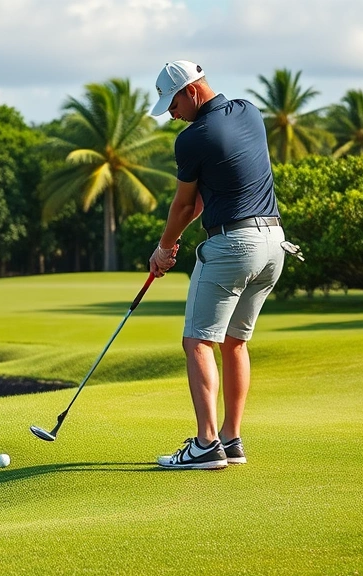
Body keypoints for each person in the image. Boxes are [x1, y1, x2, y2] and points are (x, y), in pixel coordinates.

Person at [148, 60, 286, 470]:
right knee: (234, 342)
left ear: (191, 91)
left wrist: (163, 248)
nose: (170, 114)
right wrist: (173, 244)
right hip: (274, 244)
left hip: (233, 247)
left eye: (171, 104)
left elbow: (185, 203)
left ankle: (207, 445)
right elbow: (207, 200)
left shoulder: (193, 139)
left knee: (198, 342)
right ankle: (231, 438)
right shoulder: (249, 112)